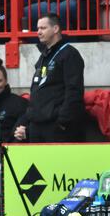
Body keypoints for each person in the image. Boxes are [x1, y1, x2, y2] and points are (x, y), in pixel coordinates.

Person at [14, 13, 85, 143]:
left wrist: (62, 122)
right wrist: (28, 123)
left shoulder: (69, 54)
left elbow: (74, 92)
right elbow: (37, 92)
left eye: (43, 28)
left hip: (56, 128)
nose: (38, 32)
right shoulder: (43, 56)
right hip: (37, 127)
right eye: (37, 29)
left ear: (56, 29)